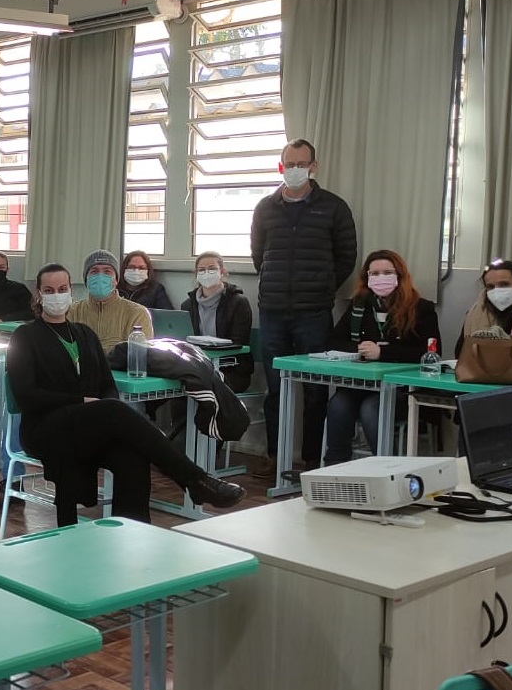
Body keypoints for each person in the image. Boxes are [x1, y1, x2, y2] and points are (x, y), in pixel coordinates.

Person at [7, 264, 245, 527]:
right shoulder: (25, 336)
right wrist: (82, 402)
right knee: (113, 410)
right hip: (45, 429)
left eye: (62, 289)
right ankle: (195, 479)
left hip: (84, 428)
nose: (57, 295)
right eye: (49, 290)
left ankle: (132, 536)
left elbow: (106, 385)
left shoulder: (84, 335)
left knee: (132, 455)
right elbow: (26, 394)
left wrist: (96, 408)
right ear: (38, 294)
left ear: (70, 291)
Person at [250, 138, 359, 476]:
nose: (294, 170)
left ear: (313, 166)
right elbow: (258, 255)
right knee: (275, 389)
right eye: (289, 164)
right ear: (281, 166)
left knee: (315, 391)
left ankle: (312, 460)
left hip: (314, 312)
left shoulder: (334, 207)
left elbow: (346, 258)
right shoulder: (265, 207)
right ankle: (275, 458)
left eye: (301, 164)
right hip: (272, 311)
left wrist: (323, 288)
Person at [323, 249, 440, 465]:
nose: (380, 278)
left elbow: (430, 352)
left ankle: (387, 469)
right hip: (362, 385)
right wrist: (360, 348)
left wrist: (383, 353)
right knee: (338, 404)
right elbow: (333, 341)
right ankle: (334, 468)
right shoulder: (359, 305)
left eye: (386, 272)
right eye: (374, 273)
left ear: (400, 275)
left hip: (401, 390)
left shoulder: (421, 308)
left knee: (371, 408)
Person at [182, 252, 254, 392]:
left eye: (212, 268)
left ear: (222, 271)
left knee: (202, 386)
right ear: (196, 274)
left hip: (231, 370)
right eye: (201, 270)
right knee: (179, 385)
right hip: (197, 367)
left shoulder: (238, 302)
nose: (206, 273)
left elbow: (239, 342)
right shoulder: (188, 305)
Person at [68, 249, 154, 352]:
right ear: (86, 279)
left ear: (116, 280)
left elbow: (139, 357)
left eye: (107, 271)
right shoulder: (71, 312)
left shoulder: (137, 314)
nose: (100, 276)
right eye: (94, 271)